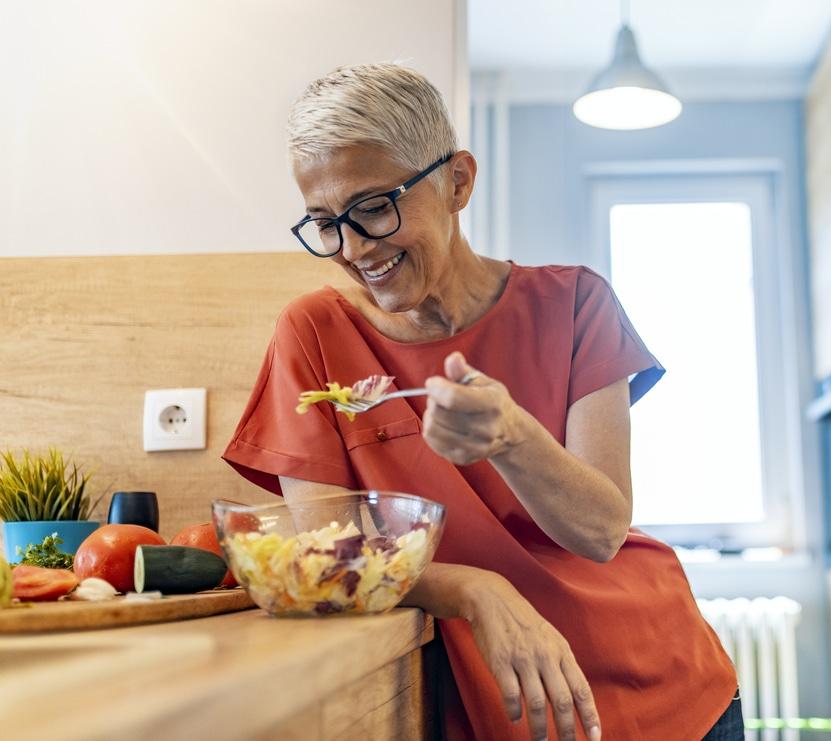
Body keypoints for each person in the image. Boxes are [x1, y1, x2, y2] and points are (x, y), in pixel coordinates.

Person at [222, 63, 742, 740]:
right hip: (509, 707)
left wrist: (512, 436)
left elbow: (601, 529)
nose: (352, 248)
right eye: (326, 222)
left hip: (671, 689)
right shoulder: (314, 335)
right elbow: (330, 557)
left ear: (457, 182)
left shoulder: (576, 303)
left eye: (374, 206)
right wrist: (474, 588)